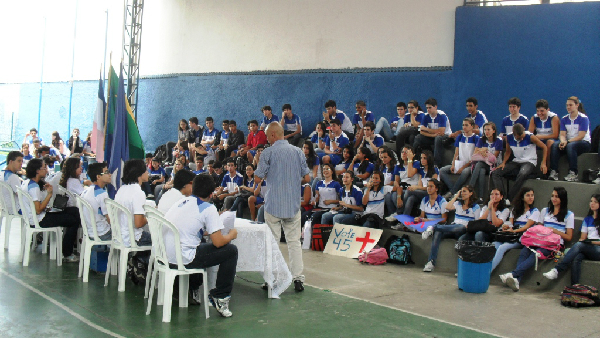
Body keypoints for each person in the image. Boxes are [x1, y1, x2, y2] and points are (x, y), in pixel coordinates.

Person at [164, 174, 238, 317]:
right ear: (212, 194)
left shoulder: (181, 202)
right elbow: (218, 242)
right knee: (231, 251)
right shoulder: (208, 208)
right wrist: (231, 235)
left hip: (166, 256)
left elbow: (188, 226)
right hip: (184, 258)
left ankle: (186, 289)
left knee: (201, 242)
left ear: (193, 188)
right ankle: (221, 296)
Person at [254, 122, 310, 292]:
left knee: (273, 243)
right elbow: (307, 178)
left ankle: (271, 279)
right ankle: (298, 279)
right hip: (293, 204)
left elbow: (257, 179)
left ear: (272, 135)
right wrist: (292, 181)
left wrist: (258, 162)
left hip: (273, 205)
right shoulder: (298, 151)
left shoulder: (268, 153)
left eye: (266, 135)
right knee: (294, 243)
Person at [501, 187, 573, 292]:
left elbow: (569, 237)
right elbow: (538, 229)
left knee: (536, 253)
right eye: (552, 196)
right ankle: (516, 280)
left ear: (562, 198)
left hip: (554, 244)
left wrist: (554, 230)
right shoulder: (545, 211)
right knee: (525, 251)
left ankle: (512, 274)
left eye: (556, 196)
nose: (553, 199)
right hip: (539, 240)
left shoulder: (569, 214)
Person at [21, 159, 80, 262]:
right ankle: (67, 253)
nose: (46, 170)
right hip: (40, 219)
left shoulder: (27, 182)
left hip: (37, 216)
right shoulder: (33, 187)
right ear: (38, 171)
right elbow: (38, 210)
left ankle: (68, 248)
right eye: (44, 167)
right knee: (73, 221)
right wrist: (49, 194)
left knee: (74, 210)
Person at [544, 194, 600, 285]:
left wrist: (591, 242)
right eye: (591, 201)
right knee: (576, 257)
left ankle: (557, 270)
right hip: (588, 249)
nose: (592, 204)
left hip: (598, 250)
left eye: (595, 202)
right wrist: (584, 242)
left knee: (580, 245)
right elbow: (583, 238)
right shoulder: (587, 219)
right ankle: (574, 286)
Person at [422, 185, 479, 272]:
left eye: (465, 191)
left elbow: (477, 222)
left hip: (464, 230)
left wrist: (469, 226)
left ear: (471, 193)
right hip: (452, 227)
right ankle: (431, 262)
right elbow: (447, 207)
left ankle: (434, 227)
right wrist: (456, 195)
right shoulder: (458, 204)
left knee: (460, 227)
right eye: (462, 191)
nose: (462, 193)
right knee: (438, 233)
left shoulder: (476, 207)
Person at [491, 123, 547, 201]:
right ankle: (502, 197)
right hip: (516, 161)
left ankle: (509, 198)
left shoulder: (530, 137)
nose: (521, 139)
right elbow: (507, 152)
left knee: (522, 173)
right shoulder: (509, 137)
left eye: (522, 136)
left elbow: (544, 147)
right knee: (496, 173)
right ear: (514, 135)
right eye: (519, 137)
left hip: (529, 161)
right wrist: (503, 163)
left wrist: (543, 163)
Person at [491, 187, 538, 272]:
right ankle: (480, 269)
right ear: (522, 197)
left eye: (532, 195)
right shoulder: (515, 210)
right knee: (493, 245)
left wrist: (513, 231)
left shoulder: (535, 211)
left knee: (503, 247)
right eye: (528, 195)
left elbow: (526, 227)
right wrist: (506, 226)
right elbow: (511, 224)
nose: (531, 197)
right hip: (512, 236)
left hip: (522, 238)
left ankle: (487, 272)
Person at [114, 159, 152, 265]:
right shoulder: (138, 193)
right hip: (133, 238)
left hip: (119, 236)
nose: (147, 172)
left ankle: (138, 261)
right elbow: (138, 223)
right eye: (146, 170)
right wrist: (150, 217)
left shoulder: (121, 189)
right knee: (162, 240)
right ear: (139, 173)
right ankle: (140, 263)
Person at [549, 96, 591, 182]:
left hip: (583, 143)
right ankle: (554, 171)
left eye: (570, 105)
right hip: (569, 143)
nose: (568, 107)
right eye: (567, 105)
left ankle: (573, 173)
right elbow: (562, 134)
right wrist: (563, 141)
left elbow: (581, 136)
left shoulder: (583, 118)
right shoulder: (564, 119)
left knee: (571, 146)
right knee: (555, 145)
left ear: (577, 105)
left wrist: (567, 142)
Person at [440, 118, 479, 199]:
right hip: (459, 163)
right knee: (442, 171)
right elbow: (456, 153)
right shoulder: (460, 137)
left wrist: (463, 167)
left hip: (470, 165)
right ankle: (454, 190)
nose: (464, 127)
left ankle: (452, 192)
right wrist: (453, 164)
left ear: (472, 126)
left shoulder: (476, 138)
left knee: (464, 172)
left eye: (466, 125)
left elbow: (474, 158)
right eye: (463, 125)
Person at [413, 98, 451, 167]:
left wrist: (426, 129)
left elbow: (441, 131)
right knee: (418, 137)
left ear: (435, 107)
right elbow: (421, 131)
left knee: (438, 138)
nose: (428, 109)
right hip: (433, 136)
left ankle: (436, 164)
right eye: (427, 108)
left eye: (430, 107)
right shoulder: (426, 116)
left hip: (445, 137)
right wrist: (432, 135)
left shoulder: (442, 115)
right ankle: (415, 160)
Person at [400, 150, 439, 218]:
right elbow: (419, 185)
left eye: (424, 158)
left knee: (409, 191)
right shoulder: (422, 170)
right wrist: (416, 187)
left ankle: (399, 212)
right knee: (411, 198)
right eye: (421, 158)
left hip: (431, 193)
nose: (422, 160)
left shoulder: (434, 170)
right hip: (422, 192)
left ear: (429, 159)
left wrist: (416, 187)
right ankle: (404, 221)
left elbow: (433, 187)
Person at [469, 122, 502, 201]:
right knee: (481, 170)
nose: (486, 132)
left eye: (488, 129)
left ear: (493, 131)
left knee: (480, 164)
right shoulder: (481, 140)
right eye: (485, 130)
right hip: (483, 164)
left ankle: (470, 189)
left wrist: (485, 150)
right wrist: (482, 151)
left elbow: (493, 158)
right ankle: (480, 197)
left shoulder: (498, 140)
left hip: (494, 165)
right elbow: (475, 153)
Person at [81, 162, 112, 240]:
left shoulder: (86, 191)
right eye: (107, 172)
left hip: (90, 231)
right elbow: (110, 219)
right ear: (98, 176)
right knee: (130, 235)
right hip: (102, 233)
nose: (110, 175)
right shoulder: (102, 194)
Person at [529, 99, 559, 174]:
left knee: (549, 143)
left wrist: (540, 136)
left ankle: (548, 168)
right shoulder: (534, 118)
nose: (539, 113)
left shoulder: (554, 118)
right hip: (539, 140)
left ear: (548, 110)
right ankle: (529, 168)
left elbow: (555, 135)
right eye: (538, 111)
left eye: (542, 111)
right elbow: (529, 134)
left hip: (551, 140)